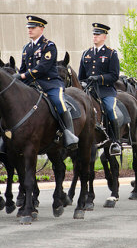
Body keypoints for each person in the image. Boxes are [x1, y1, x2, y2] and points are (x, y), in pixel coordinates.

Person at [16, 15, 78, 149]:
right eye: (28, 28)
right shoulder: (26, 48)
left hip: (49, 84)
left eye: (33, 28)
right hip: (30, 85)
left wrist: (23, 75)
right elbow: (23, 69)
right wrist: (17, 77)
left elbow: (43, 67)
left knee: (59, 102)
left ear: (41, 29)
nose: (29, 30)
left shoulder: (48, 46)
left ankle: (69, 134)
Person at [78, 23, 121, 156]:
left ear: (104, 37)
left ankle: (115, 141)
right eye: (94, 34)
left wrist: (99, 78)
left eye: (97, 34)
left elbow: (114, 75)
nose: (94, 37)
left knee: (109, 109)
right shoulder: (87, 53)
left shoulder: (111, 53)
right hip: (89, 91)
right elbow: (81, 77)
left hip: (105, 90)